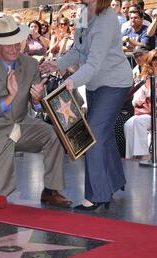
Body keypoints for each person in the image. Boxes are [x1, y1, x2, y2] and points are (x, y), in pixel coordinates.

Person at [0, 13, 71, 207]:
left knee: (51, 134)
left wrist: (37, 99)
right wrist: (9, 98)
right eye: (8, 43)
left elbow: (36, 105)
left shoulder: (30, 64)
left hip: (21, 124)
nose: (15, 48)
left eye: (17, 42)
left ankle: (51, 189)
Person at [41, 0, 133, 211]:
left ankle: (98, 195)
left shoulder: (108, 18)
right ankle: (113, 182)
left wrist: (70, 82)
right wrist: (58, 64)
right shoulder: (83, 12)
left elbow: (94, 62)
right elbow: (78, 50)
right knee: (104, 134)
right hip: (94, 84)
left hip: (114, 83)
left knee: (94, 134)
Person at [124, 49, 157, 160]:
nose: (154, 62)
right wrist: (145, 91)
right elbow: (135, 101)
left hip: (152, 113)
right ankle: (131, 157)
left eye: (156, 59)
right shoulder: (145, 78)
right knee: (128, 123)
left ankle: (143, 156)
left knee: (138, 122)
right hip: (148, 112)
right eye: (152, 59)